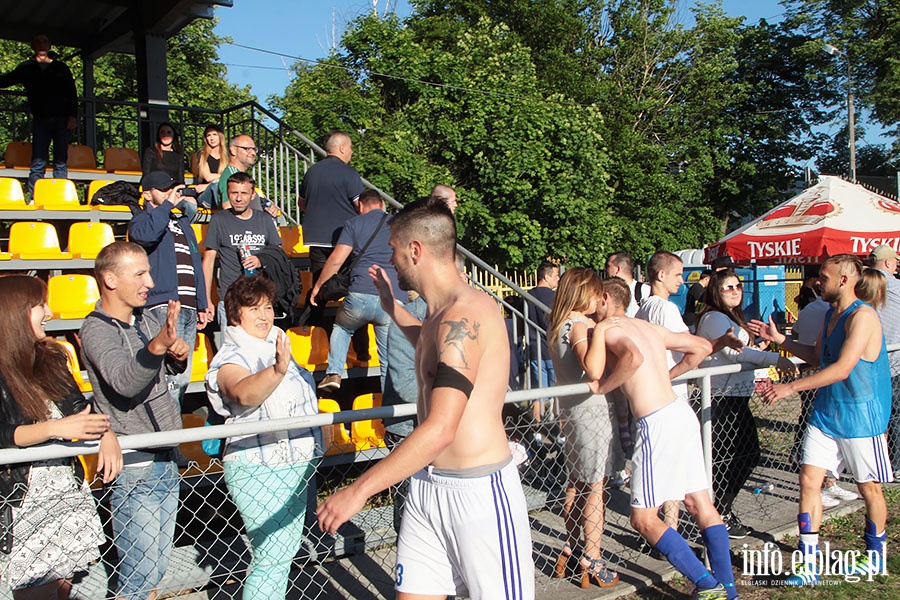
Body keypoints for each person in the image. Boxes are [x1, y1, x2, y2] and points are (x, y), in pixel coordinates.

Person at [317, 197, 535, 599]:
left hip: (478, 493)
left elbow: (441, 429)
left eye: (395, 250)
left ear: (415, 251)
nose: (393, 260)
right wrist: (392, 308)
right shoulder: (439, 316)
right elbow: (430, 350)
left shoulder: (466, 314)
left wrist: (358, 490)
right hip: (427, 488)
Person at [750, 254, 893, 584]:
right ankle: (807, 565)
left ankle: (875, 556)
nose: (817, 282)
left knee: (867, 488)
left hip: (861, 416)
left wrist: (790, 388)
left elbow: (842, 368)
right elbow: (817, 356)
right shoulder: (831, 313)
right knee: (808, 481)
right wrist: (781, 340)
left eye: (823, 277)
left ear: (843, 280)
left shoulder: (864, 317)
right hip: (827, 413)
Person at [597, 277, 736, 600]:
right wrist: (668, 377)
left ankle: (707, 585)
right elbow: (700, 347)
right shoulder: (648, 327)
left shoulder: (614, 329)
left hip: (656, 422)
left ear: (606, 299)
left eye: (594, 303)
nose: (592, 311)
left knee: (643, 518)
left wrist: (604, 387)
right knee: (700, 504)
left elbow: (632, 360)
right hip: (679, 411)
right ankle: (729, 591)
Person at [0, 276, 122, 600]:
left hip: (66, 488)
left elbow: (80, 410)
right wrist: (55, 429)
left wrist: (106, 434)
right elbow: (4, 434)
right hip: (25, 499)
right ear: (15, 313)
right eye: (40, 305)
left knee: (64, 589)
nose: (50, 312)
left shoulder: (52, 358)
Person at [80, 241, 189, 600]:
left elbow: (161, 371)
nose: (149, 281)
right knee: (138, 577)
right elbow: (125, 383)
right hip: (134, 462)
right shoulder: (96, 329)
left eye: (148, 271)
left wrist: (177, 355)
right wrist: (158, 346)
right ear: (110, 279)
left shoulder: (148, 318)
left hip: (165, 455)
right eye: (139, 273)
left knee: (155, 570)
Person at [205, 276, 320, 600]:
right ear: (236, 314)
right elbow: (241, 392)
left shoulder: (278, 344)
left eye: (268, 307)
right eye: (253, 308)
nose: (264, 315)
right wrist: (276, 372)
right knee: (272, 556)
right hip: (256, 464)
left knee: (282, 555)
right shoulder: (231, 355)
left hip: (295, 461)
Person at [694, 268, 796, 539]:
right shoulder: (714, 317)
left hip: (737, 395)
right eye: (728, 287)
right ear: (716, 290)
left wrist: (762, 356)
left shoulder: (732, 316)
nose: (735, 290)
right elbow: (733, 351)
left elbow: (744, 352)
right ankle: (717, 514)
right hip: (721, 397)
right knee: (731, 458)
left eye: (737, 286)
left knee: (745, 456)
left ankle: (720, 511)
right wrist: (775, 359)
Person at [547, 268, 623, 588]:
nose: (598, 299)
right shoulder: (578, 324)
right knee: (595, 487)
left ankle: (572, 546)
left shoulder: (557, 324)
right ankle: (592, 557)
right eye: (595, 293)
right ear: (582, 294)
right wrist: (602, 330)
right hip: (590, 413)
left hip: (571, 411)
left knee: (576, 482)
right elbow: (592, 368)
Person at [128, 171, 211, 402]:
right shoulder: (141, 220)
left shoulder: (181, 221)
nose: (169, 193)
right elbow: (146, 236)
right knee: (165, 376)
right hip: (162, 306)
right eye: (163, 189)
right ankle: (165, 434)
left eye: (171, 189)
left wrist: (202, 302)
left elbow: (195, 261)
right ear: (146, 194)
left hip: (189, 306)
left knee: (181, 377)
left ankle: (171, 432)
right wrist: (165, 207)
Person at [310, 189, 405, 392]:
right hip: (393, 298)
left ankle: (334, 372)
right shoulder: (399, 224)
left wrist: (317, 287)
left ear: (360, 206)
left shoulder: (354, 224)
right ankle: (389, 406)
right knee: (387, 360)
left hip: (360, 294)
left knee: (343, 328)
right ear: (383, 205)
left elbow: (336, 260)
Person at [297, 131, 365, 325]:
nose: (351, 152)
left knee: (319, 286)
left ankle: (309, 330)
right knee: (353, 288)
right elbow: (361, 206)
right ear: (342, 148)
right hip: (343, 240)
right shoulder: (349, 173)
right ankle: (358, 343)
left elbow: (301, 203)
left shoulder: (312, 172)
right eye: (350, 147)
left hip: (315, 238)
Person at [202, 172, 282, 332]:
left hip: (260, 297)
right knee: (232, 351)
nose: (238, 198)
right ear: (228, 194)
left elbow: (278, 254)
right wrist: (206, 300)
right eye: (234, 193)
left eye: (244, 193)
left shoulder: (265, 220)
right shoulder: (219, 220)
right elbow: (208, 261)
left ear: (253, 195)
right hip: (231, 298)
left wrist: (260, 260)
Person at [0, 33, 77, 197]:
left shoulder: (61, 67)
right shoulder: (27, 68)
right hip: (41, 120)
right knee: (38, 162)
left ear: (49, 45)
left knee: (61, 162)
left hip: (62, 120)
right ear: (32, 46)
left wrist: (73, 116)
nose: (42, 45)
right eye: (38, 42)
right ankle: (36, 197)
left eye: (45, 41)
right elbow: (6, 80)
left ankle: (59, 197)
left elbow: (72, 93)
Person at [868, 244, 900, 476]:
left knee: (870, 414)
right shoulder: (895, 286)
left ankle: (867, 461)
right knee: (896, 414)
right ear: (888, 263)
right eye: (896, 262)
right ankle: (895, 464)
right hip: (894, 362)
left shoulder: (861, 286)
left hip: (866, 362)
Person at [526, 261, 559, 422]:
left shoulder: (527, 295)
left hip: (534, 348)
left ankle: (536, 428)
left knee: (538, 392)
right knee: (559, 392)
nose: (558, 279)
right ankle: (560, 430)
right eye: (556, 275)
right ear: (547, 277)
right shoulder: (555, 297)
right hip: (552, 349)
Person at [604, 252, 648, 317]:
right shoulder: (605, 290)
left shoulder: (644, 291)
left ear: (618, 269)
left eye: (608, 266)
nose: (605, 270)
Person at [193, 124, 228, 188]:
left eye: (215, 134)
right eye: (209, 135)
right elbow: (208, 177)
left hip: (220, 188)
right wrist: (226, 176)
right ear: (206, 139)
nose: (212, 138)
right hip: (205, 191)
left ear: (220, 136)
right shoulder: (202, 155)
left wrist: (206, 186)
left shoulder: (227, 156)